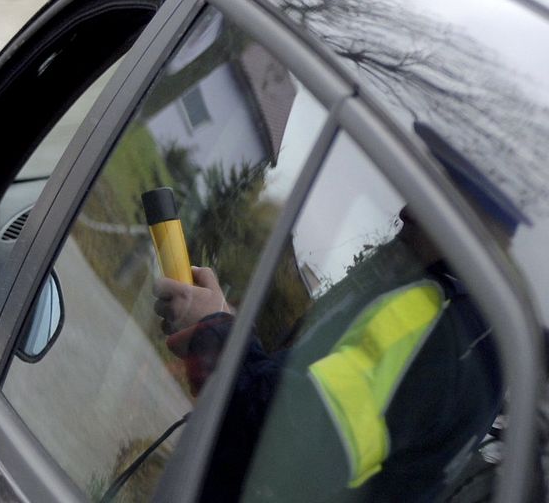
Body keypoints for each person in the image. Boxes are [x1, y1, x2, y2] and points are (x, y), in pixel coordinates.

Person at [152, 209, 503, 502]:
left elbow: (276, 441)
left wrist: (212, 332)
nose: (406, 211)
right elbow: (300, 400)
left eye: (436, 185)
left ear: (471, 211)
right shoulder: (480, 345)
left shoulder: (425, 319)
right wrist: (222, 321)